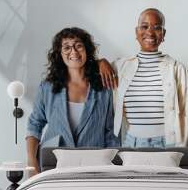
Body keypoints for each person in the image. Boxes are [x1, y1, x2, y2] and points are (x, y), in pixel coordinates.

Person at [99, 8, 188, 148]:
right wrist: (100, 62)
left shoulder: (177, 70)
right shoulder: (120, 67)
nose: (150, 32)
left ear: (163, 34)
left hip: (166, 144)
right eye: (144, 27)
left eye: (157, 28)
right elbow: (83, 68)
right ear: (136, 32)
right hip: (130, 143)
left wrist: (187, 154)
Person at [27, 27, 119, 175]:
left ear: (87, 49)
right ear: (59, 53)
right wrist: (32, 165)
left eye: (79, 46)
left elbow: (110, 132)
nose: (74, 52)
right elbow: (34, 127)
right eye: (67, 47)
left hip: (94, 165)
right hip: (53, 163)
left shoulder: (104, 89)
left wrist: (112, 168)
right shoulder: (47, 88)